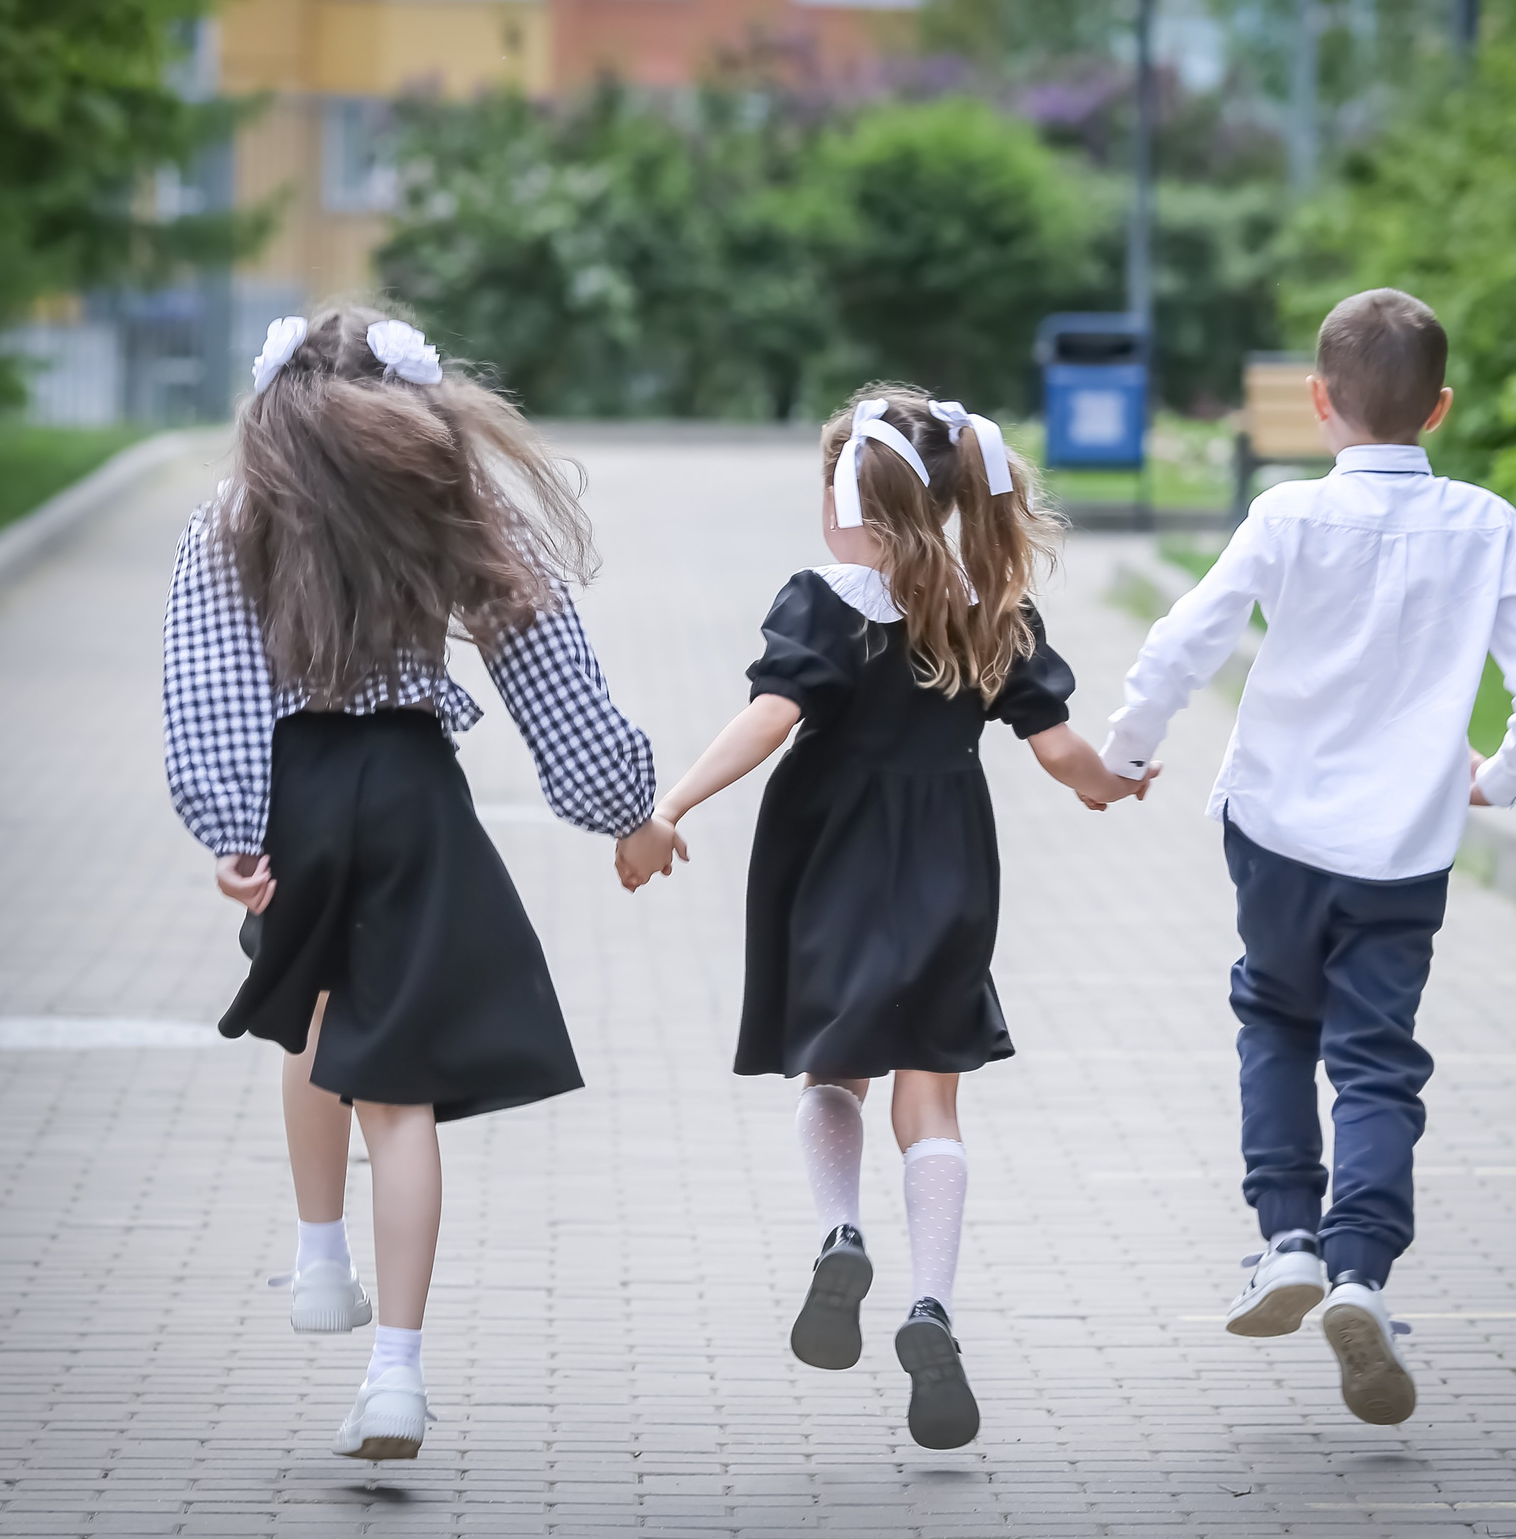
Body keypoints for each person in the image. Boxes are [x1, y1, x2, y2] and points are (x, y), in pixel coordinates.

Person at [163, 306, 676, 1463]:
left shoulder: (232, 521)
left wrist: (232, 828)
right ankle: (394, 1371)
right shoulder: (449, 510)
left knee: (312, 1007)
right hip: (407, 788)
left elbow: (208, 680)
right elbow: (551, 670)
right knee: (396, 1097)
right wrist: (626, 811)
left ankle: (316, 1255)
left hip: (293, 798)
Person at [618, 386, 1152, 1450]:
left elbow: (769, 717)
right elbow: (1057, 751)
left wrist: (668, 804)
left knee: (833, 1070)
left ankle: (839, 1228)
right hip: (950, 858)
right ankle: (932, 1304)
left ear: (842, 494)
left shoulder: (824, 598)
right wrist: (1110, 783)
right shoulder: (987, 599)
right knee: (933, 1092)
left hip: (830, 857)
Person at [1099, 289, 1516, 1425]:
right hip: (1405, 842)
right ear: (1442, 407)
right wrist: (1500, 775)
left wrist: (1126, 750)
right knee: (1375, 1056)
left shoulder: (1284, 515)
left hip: (1274, 828)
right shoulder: (1483, 522)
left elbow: (1186, 636)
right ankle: (1361, 1269)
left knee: (1274, 1016)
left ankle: (1286, 1242)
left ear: (1318, 401)